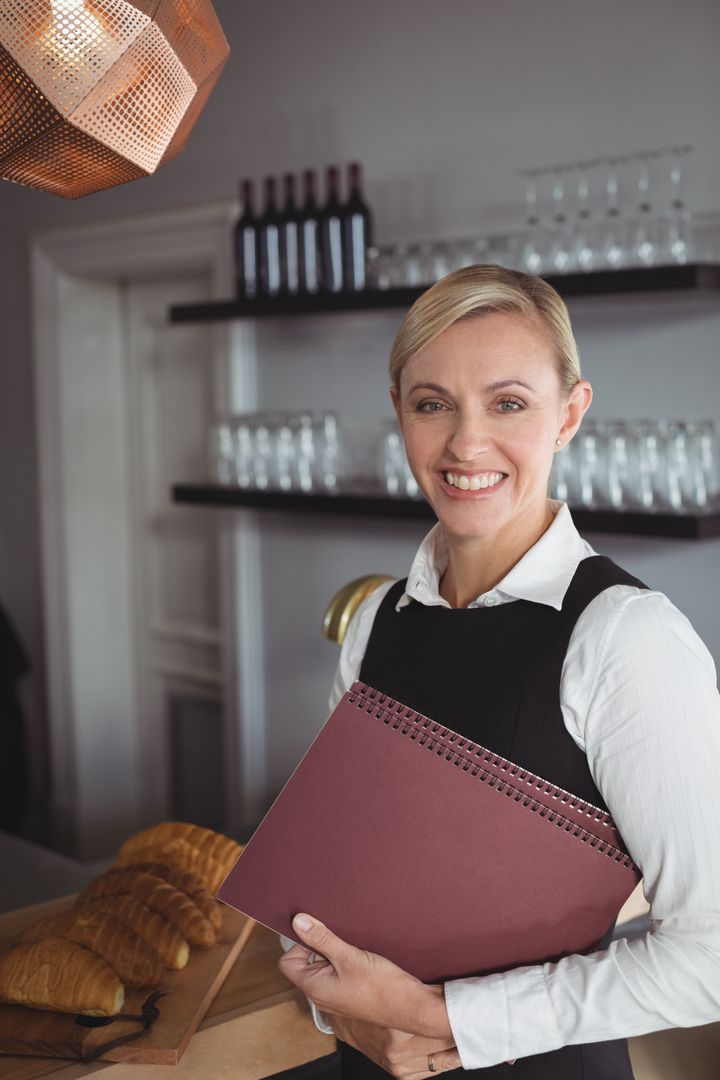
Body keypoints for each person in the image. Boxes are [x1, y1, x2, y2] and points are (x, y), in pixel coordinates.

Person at [279, 265, 720, 1079]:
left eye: (508, 403)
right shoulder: (375, 625)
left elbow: (710, 958)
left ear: (570, 415)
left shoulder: (628, 639)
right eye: (432, 403)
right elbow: (325, 889)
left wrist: (445, 1020)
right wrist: (341, 1013)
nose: (465, 445)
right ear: (399, 414)